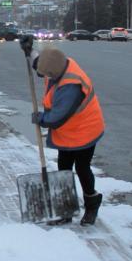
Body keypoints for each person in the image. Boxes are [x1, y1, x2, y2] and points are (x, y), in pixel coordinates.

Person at [19, 35, 105, 225]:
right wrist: (29, 51)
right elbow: (40, 66)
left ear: (55, 73)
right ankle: (65, 208)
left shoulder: (71, 86)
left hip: (86, 130)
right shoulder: (60, 64)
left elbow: (56, 119)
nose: (46, 77)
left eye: (49, 75)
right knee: (64, 167)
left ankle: (92, 204)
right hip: (69, 130)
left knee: (82, 168)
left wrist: (40, 118)